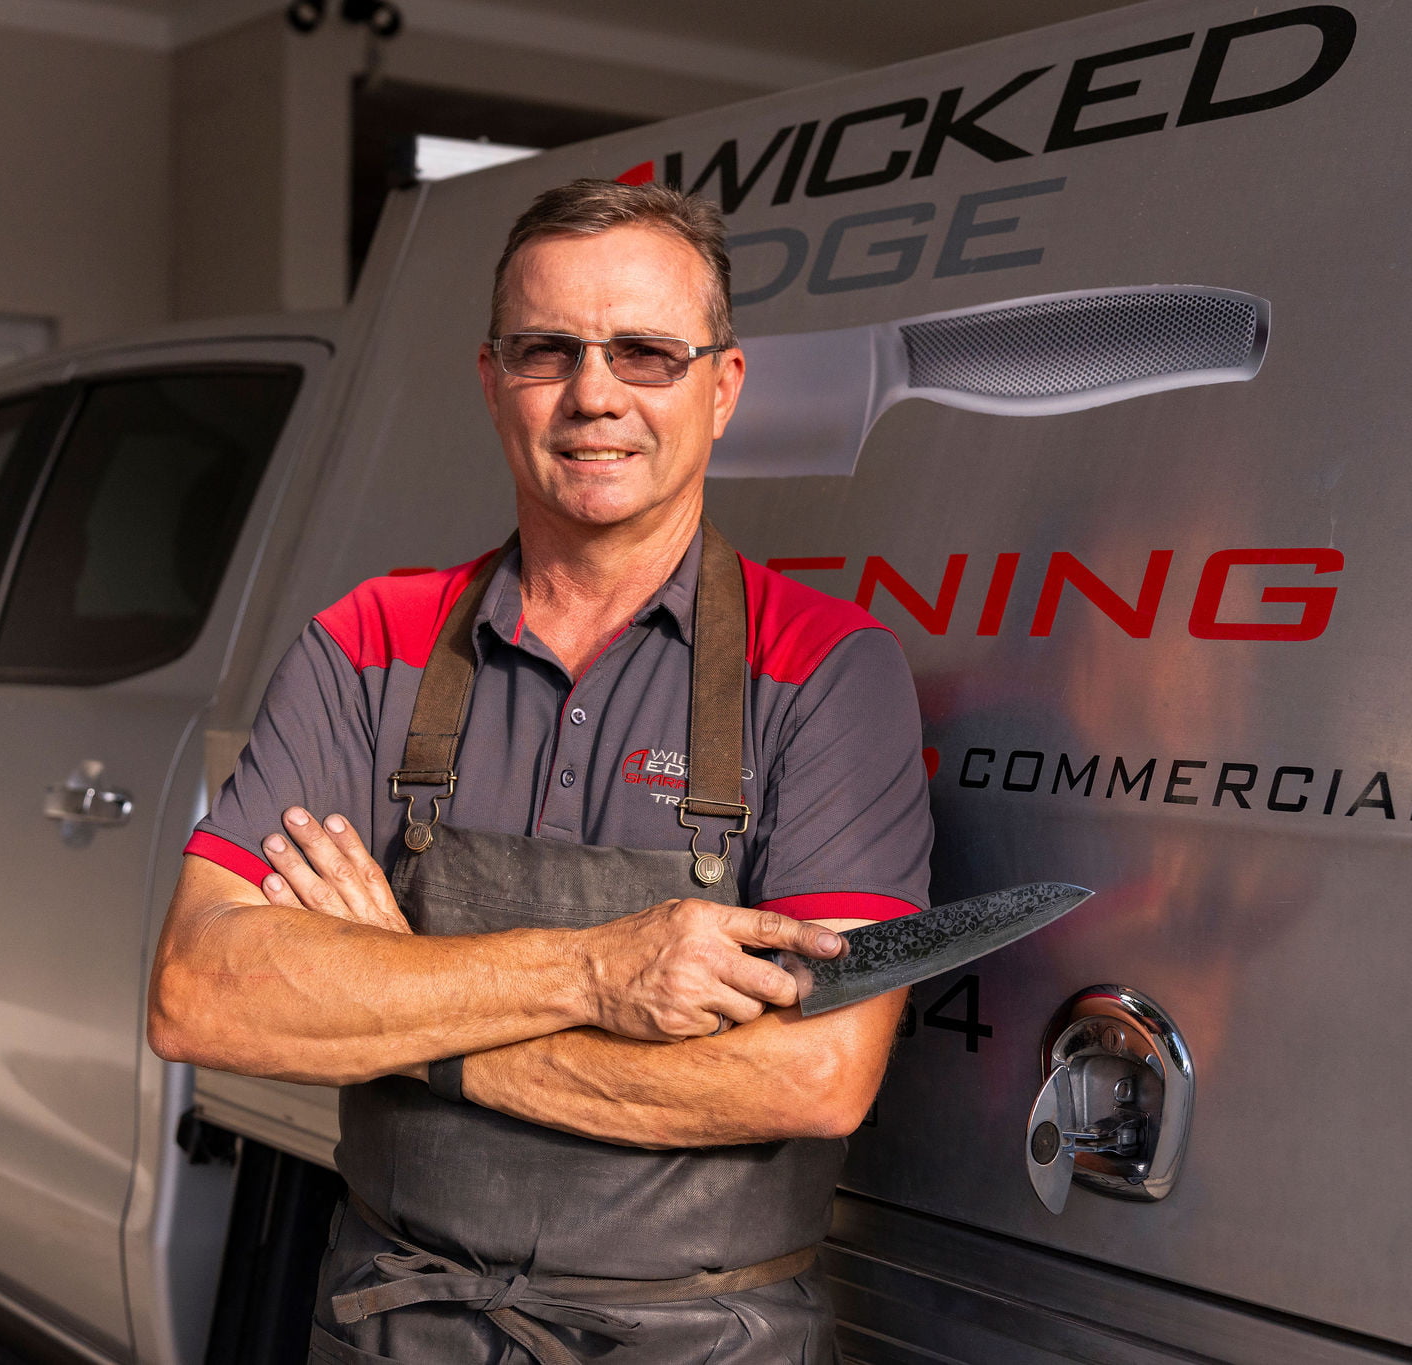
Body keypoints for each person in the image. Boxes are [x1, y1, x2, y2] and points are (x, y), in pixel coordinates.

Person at [147, 178, 934, 1364]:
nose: (593, 394)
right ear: (489, 378)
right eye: (546, 349)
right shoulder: (369, 642)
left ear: (721, 388)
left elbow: (813, 1073)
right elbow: (201, 994)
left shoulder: (826, 670)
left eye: (645, 353)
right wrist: (592, 969)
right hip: (391, 1330)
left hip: (700, 1342)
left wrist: (394, 1000)